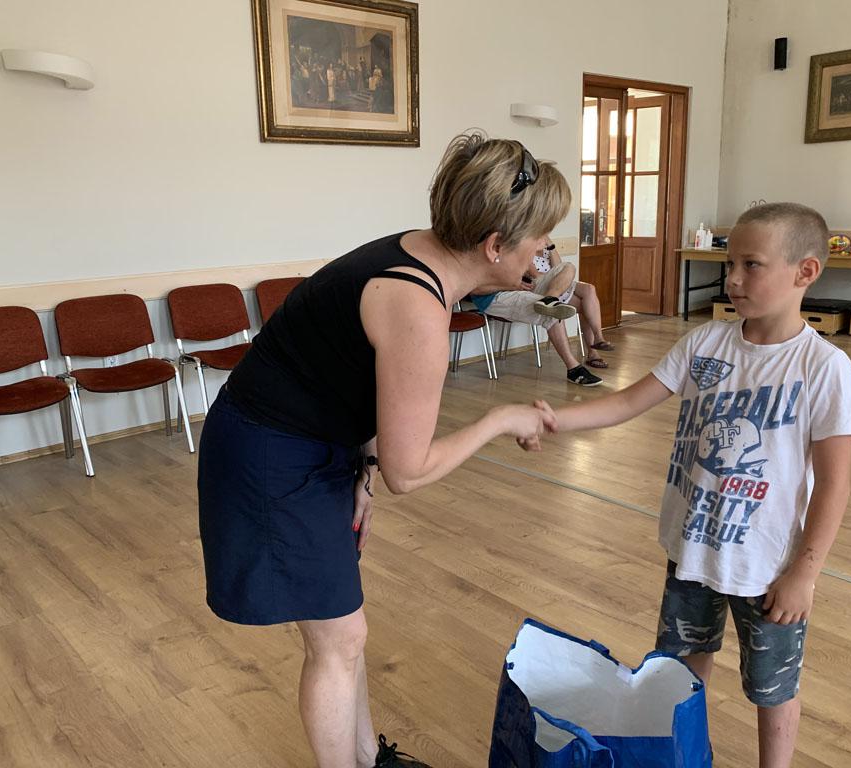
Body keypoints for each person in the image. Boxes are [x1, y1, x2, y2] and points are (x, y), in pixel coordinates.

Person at [197, 132, 568, 768]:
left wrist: (361, 468)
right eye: (541, 239)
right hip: (269, 453)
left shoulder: (422, 254)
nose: (546, 252)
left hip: (313, 440)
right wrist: (500, 418)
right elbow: (410, 470)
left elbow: (356, 376)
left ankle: (371, 758)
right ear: (494, 245)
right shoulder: (417, 303)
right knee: (338, 639)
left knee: (345, 626)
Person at [523, 202, 851, 768]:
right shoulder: (705, 343)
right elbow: (628, 402)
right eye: (730, 264)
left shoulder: (824, 367)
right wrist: (555, 419)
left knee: (772, 689)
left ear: (805, 272)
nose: (733, 279)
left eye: (751, 265)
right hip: (694, 550)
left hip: (768, 568)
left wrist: (804, 574)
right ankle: (686, 757)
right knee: (680, 676)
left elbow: (834, 483)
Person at [470, 253, 603, 386]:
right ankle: (573, 369)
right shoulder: (477, 252)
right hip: (495, 297)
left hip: (521, 286)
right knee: (552, 312)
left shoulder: (508, 245)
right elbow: (475, 289)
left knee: (568, 267)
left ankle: (549, 298)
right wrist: (512, 285)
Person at [532, 240, 613, 369]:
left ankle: (599, 338)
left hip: (560, 284)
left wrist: (550, 244)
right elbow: (537, 277)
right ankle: (593, 351)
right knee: (585, 306)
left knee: (589, 289)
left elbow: (559, 267)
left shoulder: (545, 247)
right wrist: (558, 279)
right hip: (543, 289)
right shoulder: (525, 248)